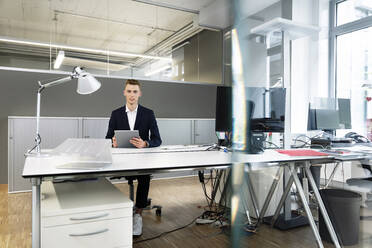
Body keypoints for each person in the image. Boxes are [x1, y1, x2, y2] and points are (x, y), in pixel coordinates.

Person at [106, 79, 162, 236]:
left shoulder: (148, 113)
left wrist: (145, 143)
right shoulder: (116, 114)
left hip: (141, 160)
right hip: (122, 160)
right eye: (129, 91)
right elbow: (107, 138)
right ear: (124, 93)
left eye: (135, 92)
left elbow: (157, 139)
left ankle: (138, 214)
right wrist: (113, 142)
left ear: (140, 94)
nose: (132, 95)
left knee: (145, 177)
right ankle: (115, 210)